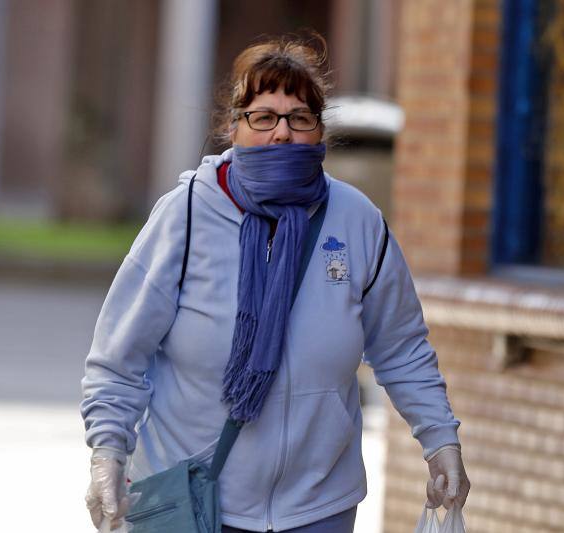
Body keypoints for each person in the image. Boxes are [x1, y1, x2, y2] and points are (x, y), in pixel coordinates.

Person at [81, 33, 470, 533]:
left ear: (319, 130)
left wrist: (441, 441)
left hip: (318, 506)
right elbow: (119, 357)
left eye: (299, 118)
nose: (281, 133)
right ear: (233, 126)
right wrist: (107, 454)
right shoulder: (186, 215)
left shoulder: (357, 222)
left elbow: (402, 348)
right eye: (263, 117)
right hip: (194, 501)